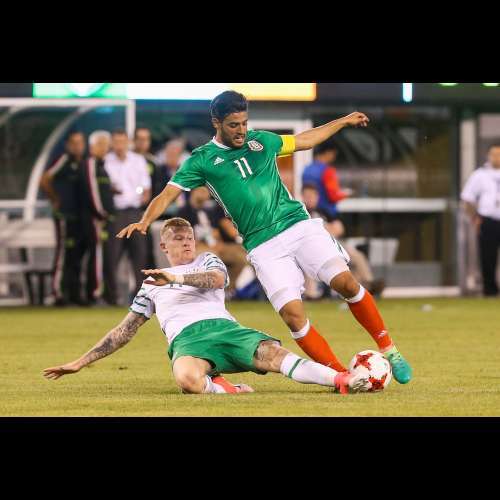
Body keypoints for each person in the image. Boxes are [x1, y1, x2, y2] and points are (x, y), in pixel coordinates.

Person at [117, 91, 412, 384]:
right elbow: (168, 193)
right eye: (234, 125)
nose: (241, 130)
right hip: (263, 245)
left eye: (244, 123)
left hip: (297, 226)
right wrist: (145, 220)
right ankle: (342, 377)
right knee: (293, 317)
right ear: (216, 123)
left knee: (346, 283)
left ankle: (390, 349)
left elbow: (305, 140)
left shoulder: (263, 141)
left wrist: (343, 121)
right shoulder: (202, 160)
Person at [43, 217, 370, 395]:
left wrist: (174, 278)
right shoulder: (149, 285)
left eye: (189, 237)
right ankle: (225, 388)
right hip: (187, 341)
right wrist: (80, 362)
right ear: (164, 245)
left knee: (274, 354)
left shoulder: (206, 261)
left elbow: (216, 280)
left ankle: (340, 381)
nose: (186, 242)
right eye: (178, 238)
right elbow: (124, 331)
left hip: (225, 329)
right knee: (186, 380)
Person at [301, 184, 385, 298]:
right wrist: (327, 229)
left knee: (357, 255)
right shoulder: (300, 214)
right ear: (302, 197)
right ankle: (311, 295)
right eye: (307, 196)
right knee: (308, 259)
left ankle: (368, 285)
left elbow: (339, 228)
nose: (310, 199)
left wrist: (326, 230)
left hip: (332, 243)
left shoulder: (323, 212)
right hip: (312, 248)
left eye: (313, 196)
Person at [103, 129, 152, 304]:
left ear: (128, 142)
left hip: (135, 213)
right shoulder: (105, 161)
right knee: (112, 256)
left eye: (122, 141)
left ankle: (139, 295)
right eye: (116, 142)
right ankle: (111, 296)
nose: (119, 145)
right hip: (115, 214)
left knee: (140, 255)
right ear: (112, 143)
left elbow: (146, 188)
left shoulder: (138, 160)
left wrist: (143, 201)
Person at [40, 131, 87, 306]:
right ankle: (57, 293)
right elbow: (45, 179)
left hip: (80, 216)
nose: (77, 146)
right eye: (74, 143)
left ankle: (75, 293)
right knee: (63, 254)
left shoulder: (84, 162)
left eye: (80, 143)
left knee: (77, 255)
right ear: (68, 145)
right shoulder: (63, 159)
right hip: (64, 215)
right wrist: (55, 199)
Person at [177, 186, 253, 296]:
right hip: (197, 247)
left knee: (242, 256)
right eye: (201, 191)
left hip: (214, 245)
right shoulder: (184, 211)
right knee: (212, 256)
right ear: (193, 191)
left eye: (206, 192)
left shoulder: (209, 211)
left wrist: (218, 243)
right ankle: (207, 294)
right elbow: (183, 236)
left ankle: (227, 291)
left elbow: (215, 232)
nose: (204, 194)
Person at [79, 130, 115, 304]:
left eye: (106, 145)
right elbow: (92, 191)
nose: (104, 148)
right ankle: (94, 293)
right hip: (94, 219)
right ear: (91, 146)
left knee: (99, 255)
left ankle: (95, 292)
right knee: (97, 255)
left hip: (99, 218)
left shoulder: (102, 165)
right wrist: (101, 214)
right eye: (100, 144)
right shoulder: (91, 163)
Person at [461, 142, 500, 296]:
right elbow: (467, 198)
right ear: (488, 156)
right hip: (488, 220)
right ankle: (490, 291)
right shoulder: (480, 175)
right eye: (494, 154)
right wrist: (475, 217)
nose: (497, 157)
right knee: (488, 256)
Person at [302, 142, 353, 219]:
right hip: (327, 214)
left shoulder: (306, 170)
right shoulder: (327, 171)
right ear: (328, 153)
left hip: (310, 212)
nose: (334, 157)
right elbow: (333, 196)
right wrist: (347, 194)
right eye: (334, 154)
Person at [134, 127, 158, 268]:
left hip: (146, 214)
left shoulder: (153, 162)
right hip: (129, 211)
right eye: (140, 139)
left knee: (147, 250)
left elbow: (157, 190)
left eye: (146, 139)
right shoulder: (127, 161)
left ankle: (150, 279)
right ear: (134, 140)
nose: (143, 142)